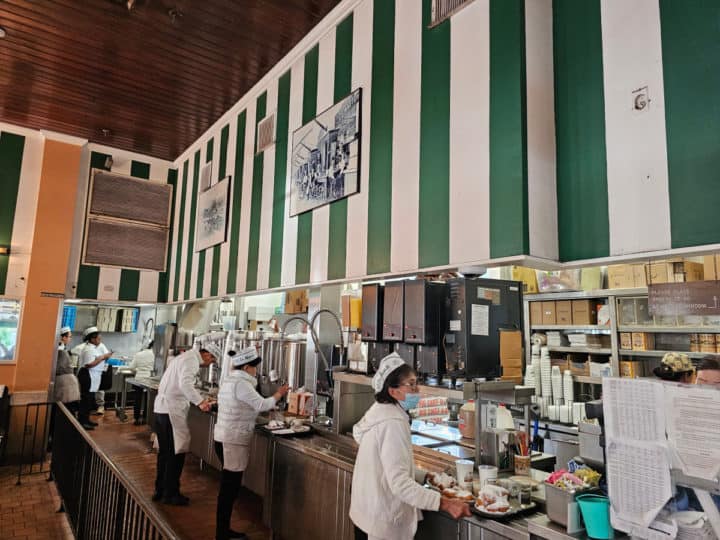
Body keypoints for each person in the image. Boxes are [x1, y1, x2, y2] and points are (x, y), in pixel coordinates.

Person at [350, 353, 471, 540]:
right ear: (392, 391)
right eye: (411, 384)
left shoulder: (381, 412)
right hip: (380, 526)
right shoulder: (392, 423)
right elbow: (399, 484)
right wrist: (446, 504)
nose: (417, 389)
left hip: (366, 519)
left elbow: (391, 468)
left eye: (417, 383)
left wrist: (424, 475)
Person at [213, 347, 289, 540]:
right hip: (232, 441)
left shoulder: (230, 380)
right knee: (229, 489)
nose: (256, 371)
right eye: (254, 368)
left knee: (229, 488)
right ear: (247, 367)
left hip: (225, 438)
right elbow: (262, 404)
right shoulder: (241, 384)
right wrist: (280, 393)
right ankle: (222, 533)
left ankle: (223, 530)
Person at [153, 344, 218, 506]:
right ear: (206, 354)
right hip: (171, 410)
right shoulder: (191, 360)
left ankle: (160, 490)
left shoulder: (183, 357)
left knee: (165, 453)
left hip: (162, 409)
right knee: (175, 453)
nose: (210, 363)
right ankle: (171, 494)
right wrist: (201, 402)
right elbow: (185, 385)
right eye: (212, 359)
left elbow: (182, 385)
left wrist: (199, 397)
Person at [50, 327, 82, 443]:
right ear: (62, 337)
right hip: (65, 387)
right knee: (65, 413)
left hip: (66, 387)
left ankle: (62, 438)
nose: (70, 339)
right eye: (69, 336)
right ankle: (64, 439)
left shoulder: (61, 349)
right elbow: (59, 368)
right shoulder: (60, 350)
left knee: (63, 413)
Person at [78, 327, 112, 429]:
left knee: (90, 399)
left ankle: (87, 420)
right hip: (87, 375)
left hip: (93, 376)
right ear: (92, 339)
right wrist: (102, 357)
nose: (100, 341)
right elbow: (89, 364)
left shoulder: (94, 348)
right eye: (98, 339)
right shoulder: (88, 349)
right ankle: (82, 422)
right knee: (86, 399)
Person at [127, 341, 155, 425]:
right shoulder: (155, 355)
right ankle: (145, 418)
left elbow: (131, 367)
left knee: (137, 398)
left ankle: (136, 418)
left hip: (139, 378)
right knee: (148, 398)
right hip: (150, 378)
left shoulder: (139, 354)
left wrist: (138, 371)